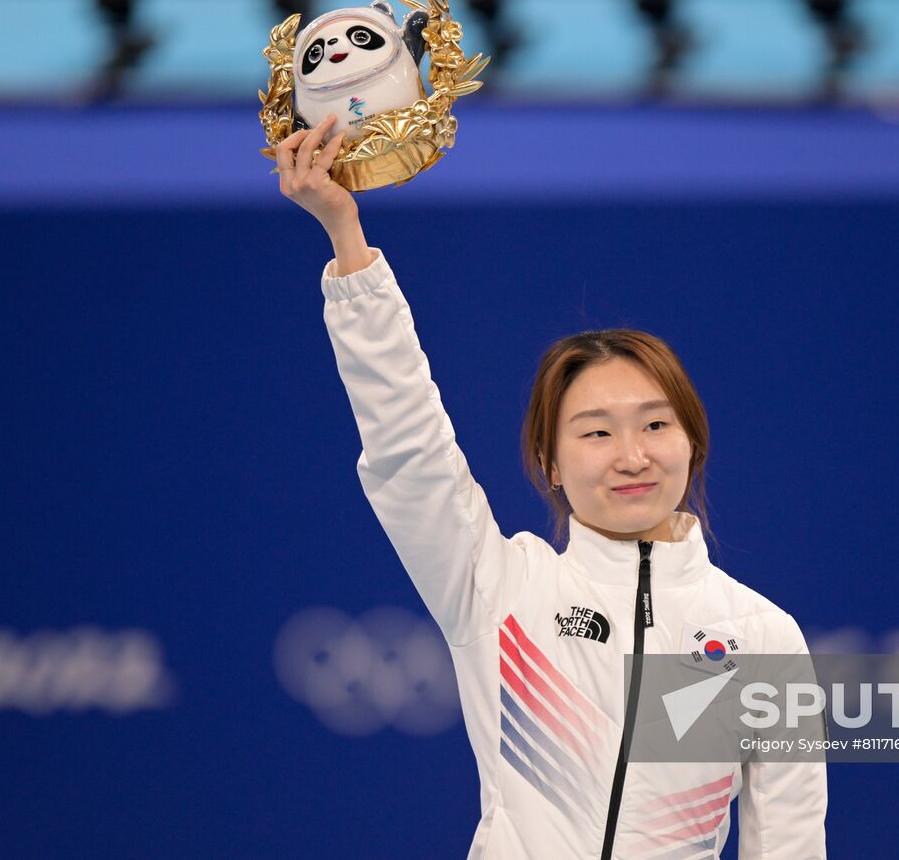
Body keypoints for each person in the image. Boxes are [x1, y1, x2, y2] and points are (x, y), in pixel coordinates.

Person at [277, 115, 827, 858]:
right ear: (552, 461)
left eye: (656, 426)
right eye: (596, 432)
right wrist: (347, 241)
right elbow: (408, 443)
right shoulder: (499, 587)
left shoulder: (763, 637)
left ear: (693, 442)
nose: (632, 455)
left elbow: (789, 845)